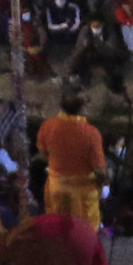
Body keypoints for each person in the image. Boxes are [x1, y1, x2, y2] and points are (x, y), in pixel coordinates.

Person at [34, 85, 107, 225]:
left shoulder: (47, 126)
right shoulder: (91, 133)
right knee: (82, 235)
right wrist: (102, 183)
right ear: (82, 108)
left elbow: (43, 154)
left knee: (57, 230)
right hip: (82, 195)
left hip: (56, 189)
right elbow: (100, 172)